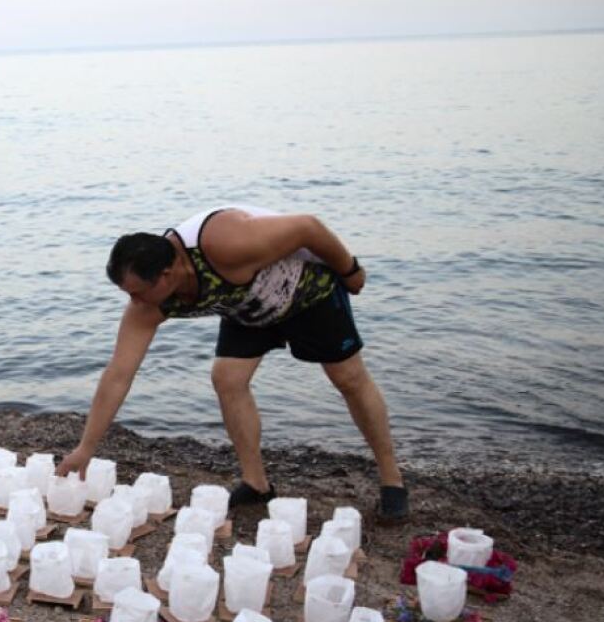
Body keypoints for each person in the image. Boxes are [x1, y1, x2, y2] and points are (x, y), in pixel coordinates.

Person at [55, 204, 408, 524]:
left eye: (136, 292)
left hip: (308, 293)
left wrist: (351, 271)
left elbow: (308, 227)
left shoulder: (224, 243)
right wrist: (85, 449)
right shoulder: (148, 305)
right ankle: (256, 483)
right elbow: (118, 374)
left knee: (348, 378)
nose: (133, 302)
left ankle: (392, 480)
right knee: (227, 378)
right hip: (247, 308)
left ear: (168, 273)